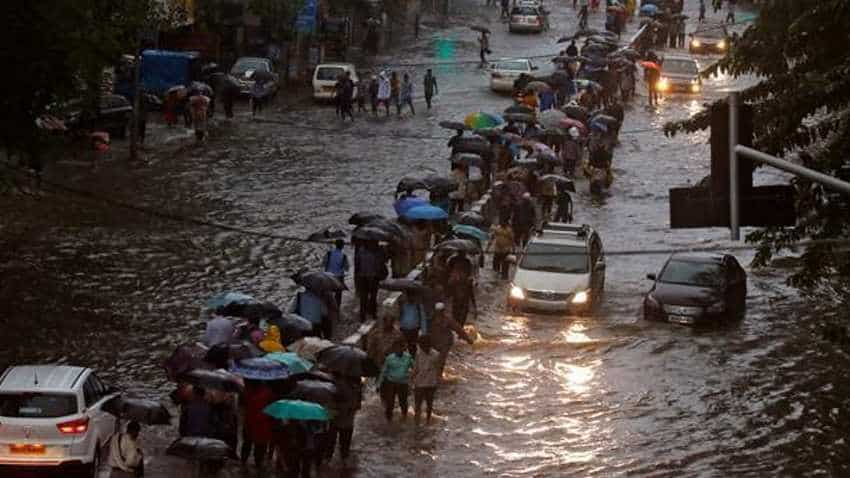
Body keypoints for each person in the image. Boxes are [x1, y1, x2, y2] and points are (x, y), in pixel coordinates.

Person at [241, 380, 275, 469]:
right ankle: (258, 463)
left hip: (250, 422)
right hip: (262, 424)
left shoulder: (247, 391)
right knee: (260, 446)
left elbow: (242, 405)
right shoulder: (268, 392)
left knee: (247, 444)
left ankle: (244, 462)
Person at [377, 339, 413, 421]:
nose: (398, 350)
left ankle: (404, 417)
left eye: (400, 348)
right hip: (391, 383)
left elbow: (415, 368)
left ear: (403, 348)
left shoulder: (408, 357)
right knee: (390, 404)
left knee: (403, 402)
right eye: (396, 348)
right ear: (393, 349)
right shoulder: (389, 358)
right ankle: (389, 421)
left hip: (403, 383)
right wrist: (379, 385)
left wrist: (414, 380)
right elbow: (383, 372)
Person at [411, 335, 441, 426]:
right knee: (418, 405)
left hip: (431, 383)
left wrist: (437, 380)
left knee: (429, 403)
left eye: (422, 345)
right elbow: (416, 368)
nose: (421, 347)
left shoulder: (436, 355)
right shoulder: (418, 354)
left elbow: (438, 369)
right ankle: (417, 422)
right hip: (420, 382)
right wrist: (411, 378)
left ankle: (428, 420)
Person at [354, 241, 387, 321]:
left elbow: (357, 263)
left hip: (363, 277)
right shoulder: (377, 252)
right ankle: (373, 314)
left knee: (363, 297)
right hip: (373, 277)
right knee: (373, 296)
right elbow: (382, 262)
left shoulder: (360, 250)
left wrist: (357, 276)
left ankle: (363, 316)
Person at [447, 255, 476, 326]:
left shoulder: (455, 281)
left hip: (460, 303)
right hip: (460, 303)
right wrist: (474, 306)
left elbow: (448, 294)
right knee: (459, 320)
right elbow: (471, 294)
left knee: (457, 320)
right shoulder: (464, 281)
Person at [398, 290, 428, 355]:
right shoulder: (403, 305)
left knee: (412, 348)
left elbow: (423, 318)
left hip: (414, 330)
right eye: (409, 296)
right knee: (403, 347)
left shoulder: (418, 306)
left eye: (412, 296)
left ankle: (412, 360)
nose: (411, 298)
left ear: (414, 296)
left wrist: (424, 332)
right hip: (404, 330)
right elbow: (399, 317)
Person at [323, 239, 349, 308]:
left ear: (335, 245)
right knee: (338, 296)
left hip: (328, 277)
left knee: (328, 294)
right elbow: (346, 268)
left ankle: (328, 309)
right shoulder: (344, 256)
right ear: (343, 246)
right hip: (339, 277)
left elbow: (324, 263)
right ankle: (337, 309)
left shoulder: (329, 253)